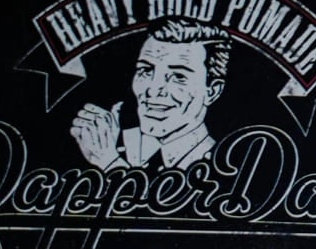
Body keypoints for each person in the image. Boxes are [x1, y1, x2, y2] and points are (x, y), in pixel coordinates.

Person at [69, 19, 229, 171]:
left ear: (212, 91)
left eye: (178, 76)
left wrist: (108, 162)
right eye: (145, 70)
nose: (152, 90)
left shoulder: (223, 166)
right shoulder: (117, 141)